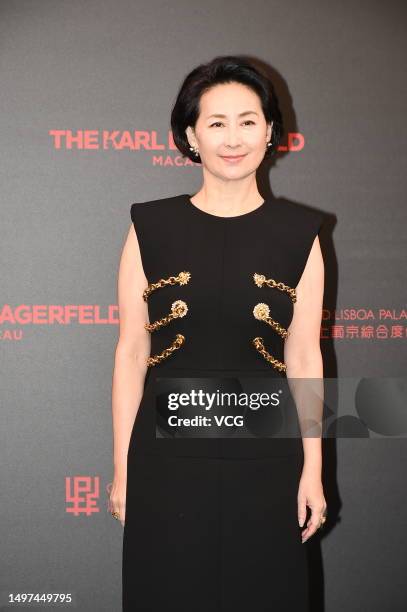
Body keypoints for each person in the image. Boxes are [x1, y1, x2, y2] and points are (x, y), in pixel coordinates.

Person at [111, 55, 327, 611]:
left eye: (248, 121)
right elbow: (132, 351)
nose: (233, 138)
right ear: (190, 136)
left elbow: (305, 356)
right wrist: (121, 469)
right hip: (165, 463)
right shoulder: (149, 227)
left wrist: (313, 469)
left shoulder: (301, 235)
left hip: (268, 463)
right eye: (216, 123)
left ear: (271, 131)